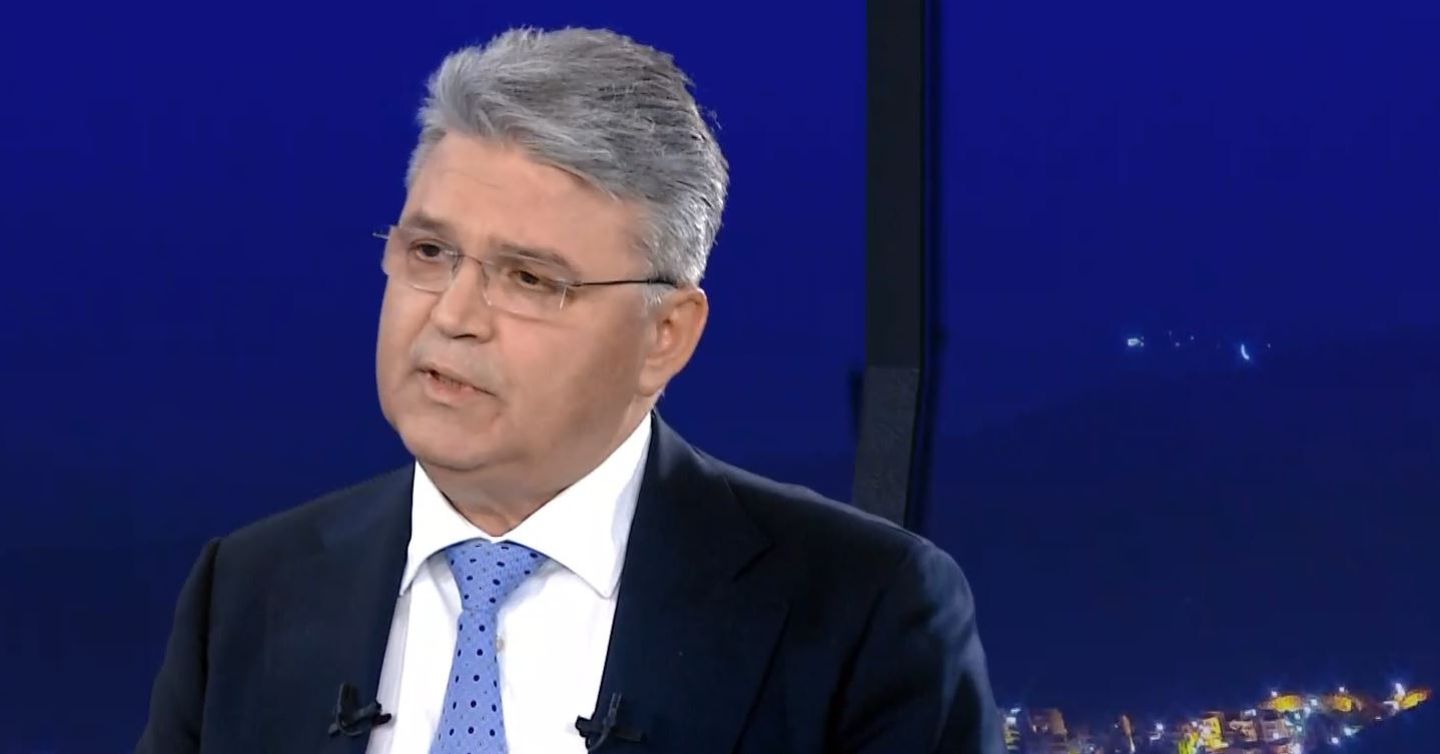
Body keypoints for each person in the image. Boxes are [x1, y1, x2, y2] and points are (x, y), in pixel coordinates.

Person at [135, 26, 1004, 754]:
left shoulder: (862, 611)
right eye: (430, 253)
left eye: (528, 278)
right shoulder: (245, 592)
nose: (453, 315)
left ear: (665, 336)